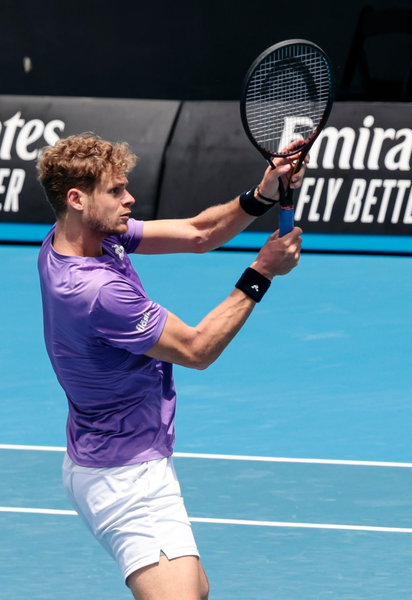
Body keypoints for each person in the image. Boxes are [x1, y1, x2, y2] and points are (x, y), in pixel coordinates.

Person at [36, 132, 306, 600]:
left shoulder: (76, 239)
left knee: (194, 591)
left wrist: (262, 194)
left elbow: (201, 233)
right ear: (77, 199)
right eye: (116, 191)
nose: (130, 198)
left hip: (116, 457)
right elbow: (198, 348)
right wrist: (262, 272)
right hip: (124, 478)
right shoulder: (96, 292)